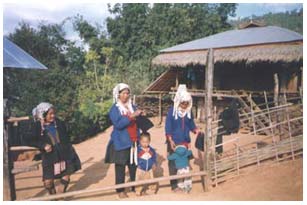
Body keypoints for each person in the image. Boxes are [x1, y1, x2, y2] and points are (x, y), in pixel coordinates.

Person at [30, 102, 81, 195]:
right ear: (43, 114)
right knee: (48, 182)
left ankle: (61, 194)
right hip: (49, 156)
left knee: (66, 175)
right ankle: (53, 196)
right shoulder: (37, 126)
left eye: (53, 113)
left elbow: (66, 136)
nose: (53, 116)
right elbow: (30, 140)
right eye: (50, 114)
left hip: (64, 153)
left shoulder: (59, 123)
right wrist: (43, 145)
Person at [106, 83, 142, 198]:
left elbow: (137, 120)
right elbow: (118, 124)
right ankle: (120, 190)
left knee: (133, 165)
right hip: (121, 142)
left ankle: (133, 186)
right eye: (124, 93)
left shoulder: (132, 106)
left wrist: (141, 115)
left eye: (127, 93)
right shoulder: (114, 109)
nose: (126, 96)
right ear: (118, 95)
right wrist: (131, 116)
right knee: (120, 166)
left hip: (134, 140)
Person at [165, 84, 198, 192]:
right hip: (173, 141)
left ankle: (184, 183)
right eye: (183, 102)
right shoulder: (172, 111)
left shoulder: (188, 112)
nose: (184, 105)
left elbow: (191, 123)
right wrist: (170, 140)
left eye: (187, 103)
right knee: (173, 163)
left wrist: (195, 130)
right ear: (179, 100)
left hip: (185, 141)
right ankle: (174, 186)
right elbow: (168, 126)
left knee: (184, 163)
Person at [135, 132, 158, 196]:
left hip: (149, 168)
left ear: (149, 141)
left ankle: (152, 190)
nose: (145, 144)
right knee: (139, 180)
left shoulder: (151, 150)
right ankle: (138, 191)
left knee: (152, 179)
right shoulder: (138, 150)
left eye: (147, 142)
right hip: (141, 168)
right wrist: (138, 164)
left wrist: (154, 163)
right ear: (140, 141)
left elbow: (154, 157)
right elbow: (136, 158)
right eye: (143, 142)